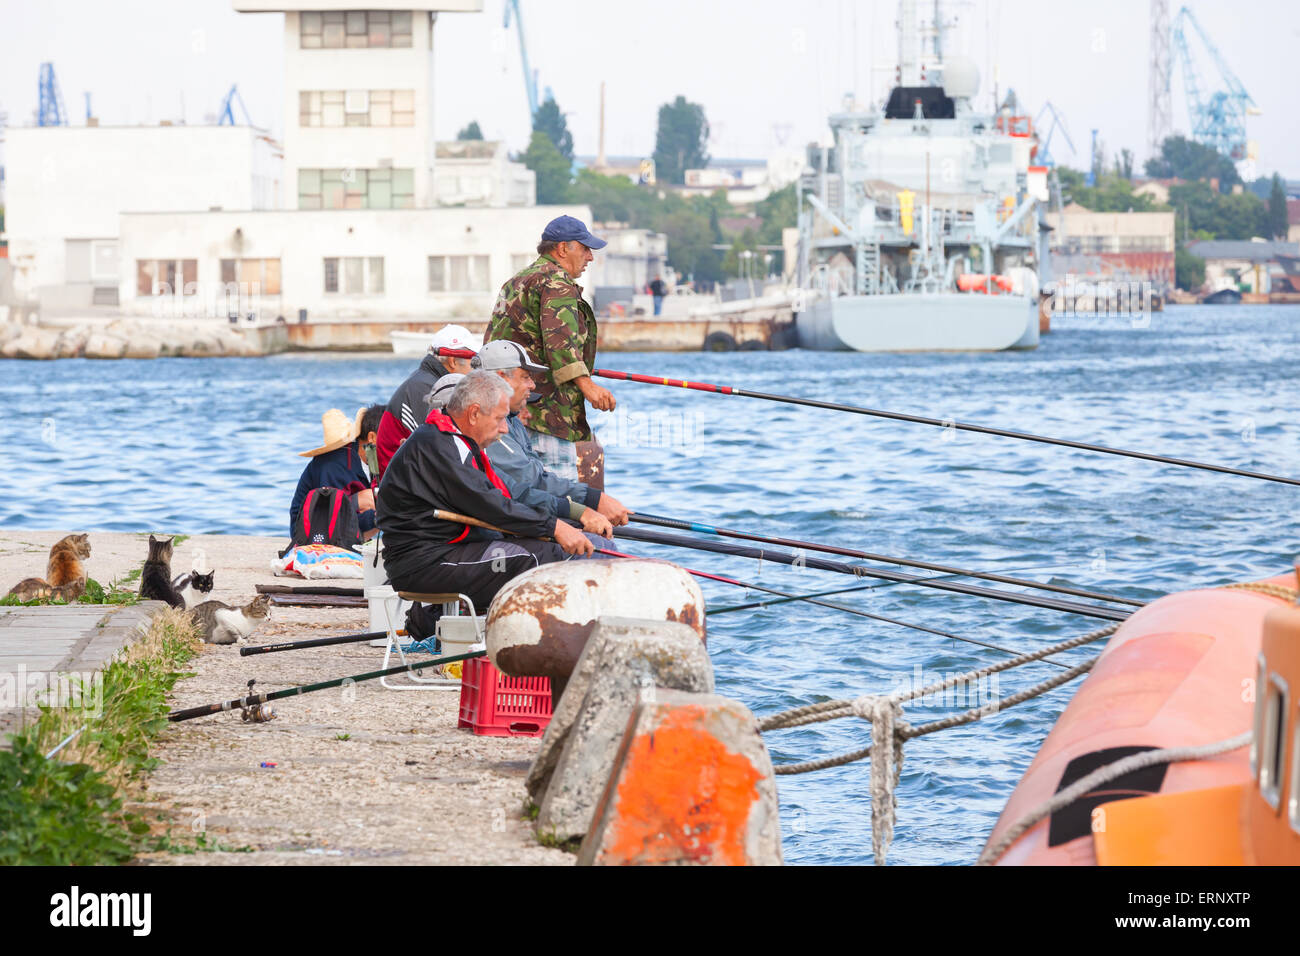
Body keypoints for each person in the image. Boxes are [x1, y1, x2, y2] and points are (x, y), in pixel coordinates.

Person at [377, 371, 597, 613]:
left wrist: (561, 521)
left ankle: (434, 618)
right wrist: (554, 527)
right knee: (537, 557)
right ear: (473, 414)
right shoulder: (440, 447)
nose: (504, 429)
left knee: (536, 545)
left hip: (443, 550)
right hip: (422, 562)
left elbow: (502, 500)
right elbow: (493, 507)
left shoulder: (450, 440)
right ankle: (530, 638)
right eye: (500, 419)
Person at [486, 215, 616, 485]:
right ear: (562, 248)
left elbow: (493, 344)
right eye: (585, 248)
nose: (590, 257)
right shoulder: (557, 282)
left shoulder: (516, 282)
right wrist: (588, 387)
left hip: (509, 409)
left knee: (521, 486)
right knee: (558, 490)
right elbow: (561, 344)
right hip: (548, 412)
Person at [469, 341, 632, 535]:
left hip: (518, 518)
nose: (532, 384)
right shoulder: (486, 423)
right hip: (497, 531)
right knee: (590, 545)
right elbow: (526, 482)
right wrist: (590, 501)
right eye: (526, 377)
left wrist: (584, 506)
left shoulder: (511, 420)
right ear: (500, 378)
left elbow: (534, 479)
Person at [374, 324, 480, 480]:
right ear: (453, 362)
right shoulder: (425, 389)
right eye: (474, 363)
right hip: (403, 486)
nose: (476, 371)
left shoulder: (425, 382)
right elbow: (439, 450)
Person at [290, 405, 384, 542]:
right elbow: (329, 515)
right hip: (310, 534)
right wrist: (380, 517)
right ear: (372, 437)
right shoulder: (334, 464)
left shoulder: (365, 460)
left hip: (335, 523)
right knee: (375, 499)